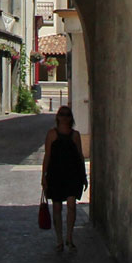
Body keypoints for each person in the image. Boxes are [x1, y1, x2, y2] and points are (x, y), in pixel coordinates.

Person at [41, 105, 86, 253]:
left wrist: (84, 176)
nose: (65, 117)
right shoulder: (52, 134)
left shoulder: (75, 135)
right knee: (57, 207)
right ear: (58, 117)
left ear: (71, 118)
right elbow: (47, 156)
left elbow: (80, 156)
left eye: (67, 115)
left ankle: (70, 237)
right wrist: (44, 176)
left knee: (72, 205)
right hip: (56, 174)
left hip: (72, 174)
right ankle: (60, 239)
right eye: (62, 114)